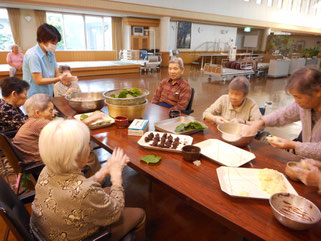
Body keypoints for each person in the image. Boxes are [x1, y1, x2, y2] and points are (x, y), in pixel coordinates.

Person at [30, 119, 146, 241]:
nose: (90, 148)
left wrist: (103, 172)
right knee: (140, 214)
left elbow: (77, 188)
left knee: (107, 190)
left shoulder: (46, 170)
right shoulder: (85, 192)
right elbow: (116, 212)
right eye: (87, 144)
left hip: (42, 233)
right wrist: (116, 177)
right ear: (76, 154)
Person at [242, 68, 321, 160]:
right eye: (294, 97)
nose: (296, 101)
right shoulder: (304, 105)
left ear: (317, 91)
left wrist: (293, 145)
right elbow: (283, 114)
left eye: (298, 97)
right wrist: (259, 122)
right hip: (308, 162)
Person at [23, 23, 75, 97]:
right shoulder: (33, 55)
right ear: (42, 39)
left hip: (48, 92)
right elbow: (39, 80)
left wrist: (66, 76)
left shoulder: (50, 53)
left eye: (56, 43)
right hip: (35, 95)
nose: (55, 46)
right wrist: (60, 78)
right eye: (53, 43)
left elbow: (56, 73)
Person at [13, 94, 54, 163]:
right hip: (37, 163)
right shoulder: (40, 122)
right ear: (37, 113)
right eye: (50, 111)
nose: (53, 115)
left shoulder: (31, 121)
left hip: (26, 159)